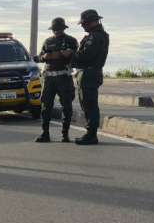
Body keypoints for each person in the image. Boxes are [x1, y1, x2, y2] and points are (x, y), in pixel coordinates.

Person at [33, 17, 79, 142]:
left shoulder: (71, 41)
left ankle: (65, 134)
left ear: (63, 28)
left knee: (67, 106)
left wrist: (69, 54)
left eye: (58, 29)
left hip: (64, 76)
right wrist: (44, 57)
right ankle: (45, 133)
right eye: (54, 29)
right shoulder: (48, 41)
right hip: (49, 78)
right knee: (46, 106)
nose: (56, 31)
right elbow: (40, 57)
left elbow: (77, 57)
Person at [72, 9, 110, 145]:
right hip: (90, 72)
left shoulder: (95, 37)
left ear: (91, 22)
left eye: (84, 23)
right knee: (87, 104)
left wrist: (70, 55)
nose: (82, 26)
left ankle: (91, 134)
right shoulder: (99, 35)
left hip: (89, 73)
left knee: (89, 105)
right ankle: (90, 133)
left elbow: (86, 56)